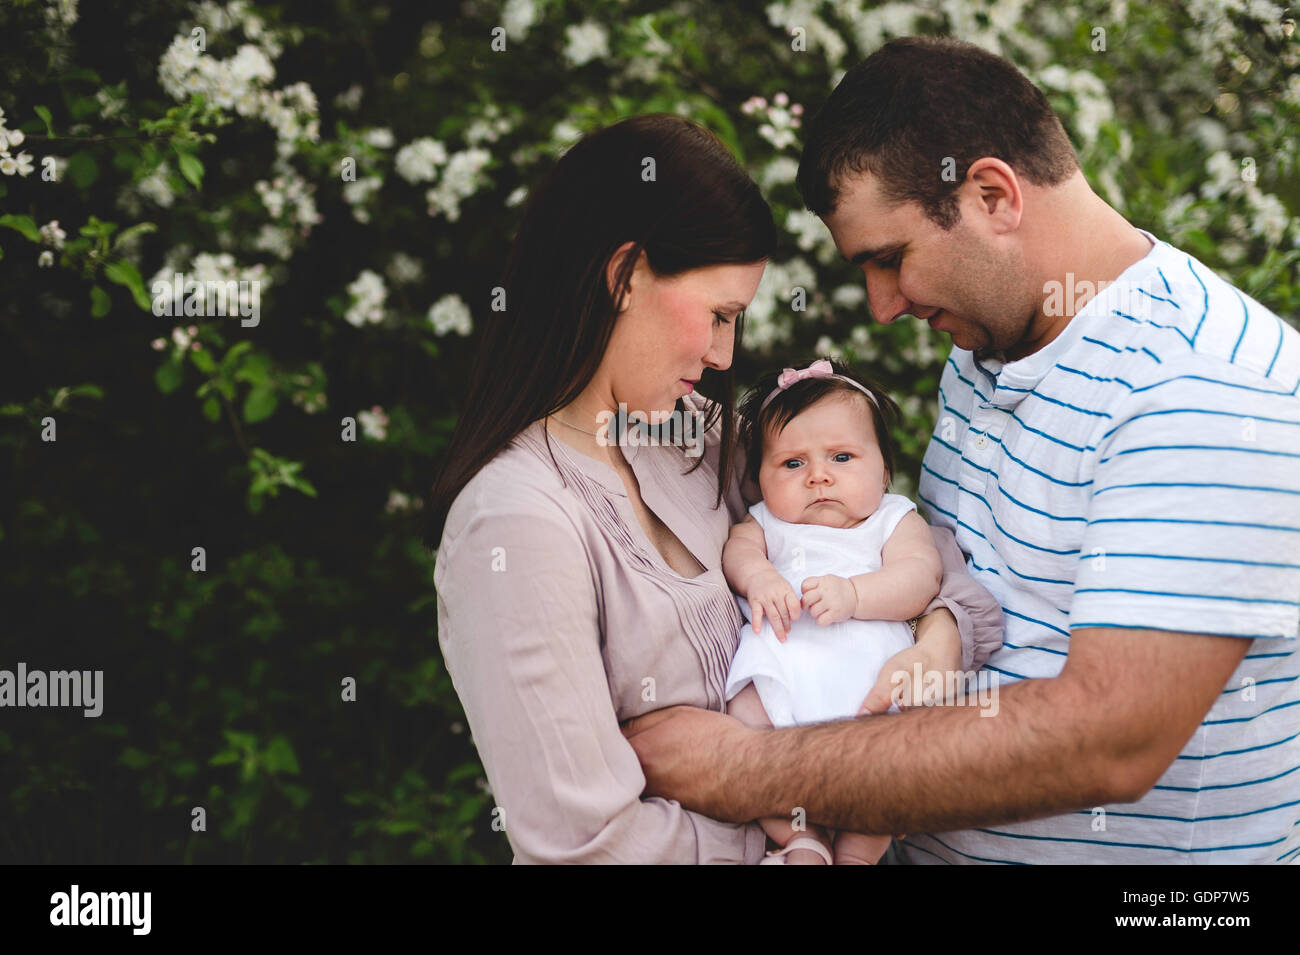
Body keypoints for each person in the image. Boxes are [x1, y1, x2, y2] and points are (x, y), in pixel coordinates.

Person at [622, 36, 1300, 864]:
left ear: (992, 195)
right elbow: (955, 579)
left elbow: (1109, 739)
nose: (880, 307)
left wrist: (752, 767)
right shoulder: (986, 354)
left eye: (890, 259)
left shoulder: (1200, 384)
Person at [428, 113, 1004, 863]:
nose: (725, 351)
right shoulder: (515, 523)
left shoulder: (703, 440)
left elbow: (901, 542)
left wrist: (936, 644)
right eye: (720, 315)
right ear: (625, 276)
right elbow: (585, 845)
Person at [723, 358, 971, 865]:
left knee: (893, 768)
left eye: (841, 457)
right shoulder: (767, 521)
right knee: (741, 729)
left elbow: (920, 578)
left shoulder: (891, 518)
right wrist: (761, 577)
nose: (817, 477)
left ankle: (858, 855)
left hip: (871, 679)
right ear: (761, 480)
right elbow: (737, 552)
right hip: (784, 667)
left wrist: (856, 595)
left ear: (884, 469)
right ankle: (801, 838)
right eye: (792, 464)